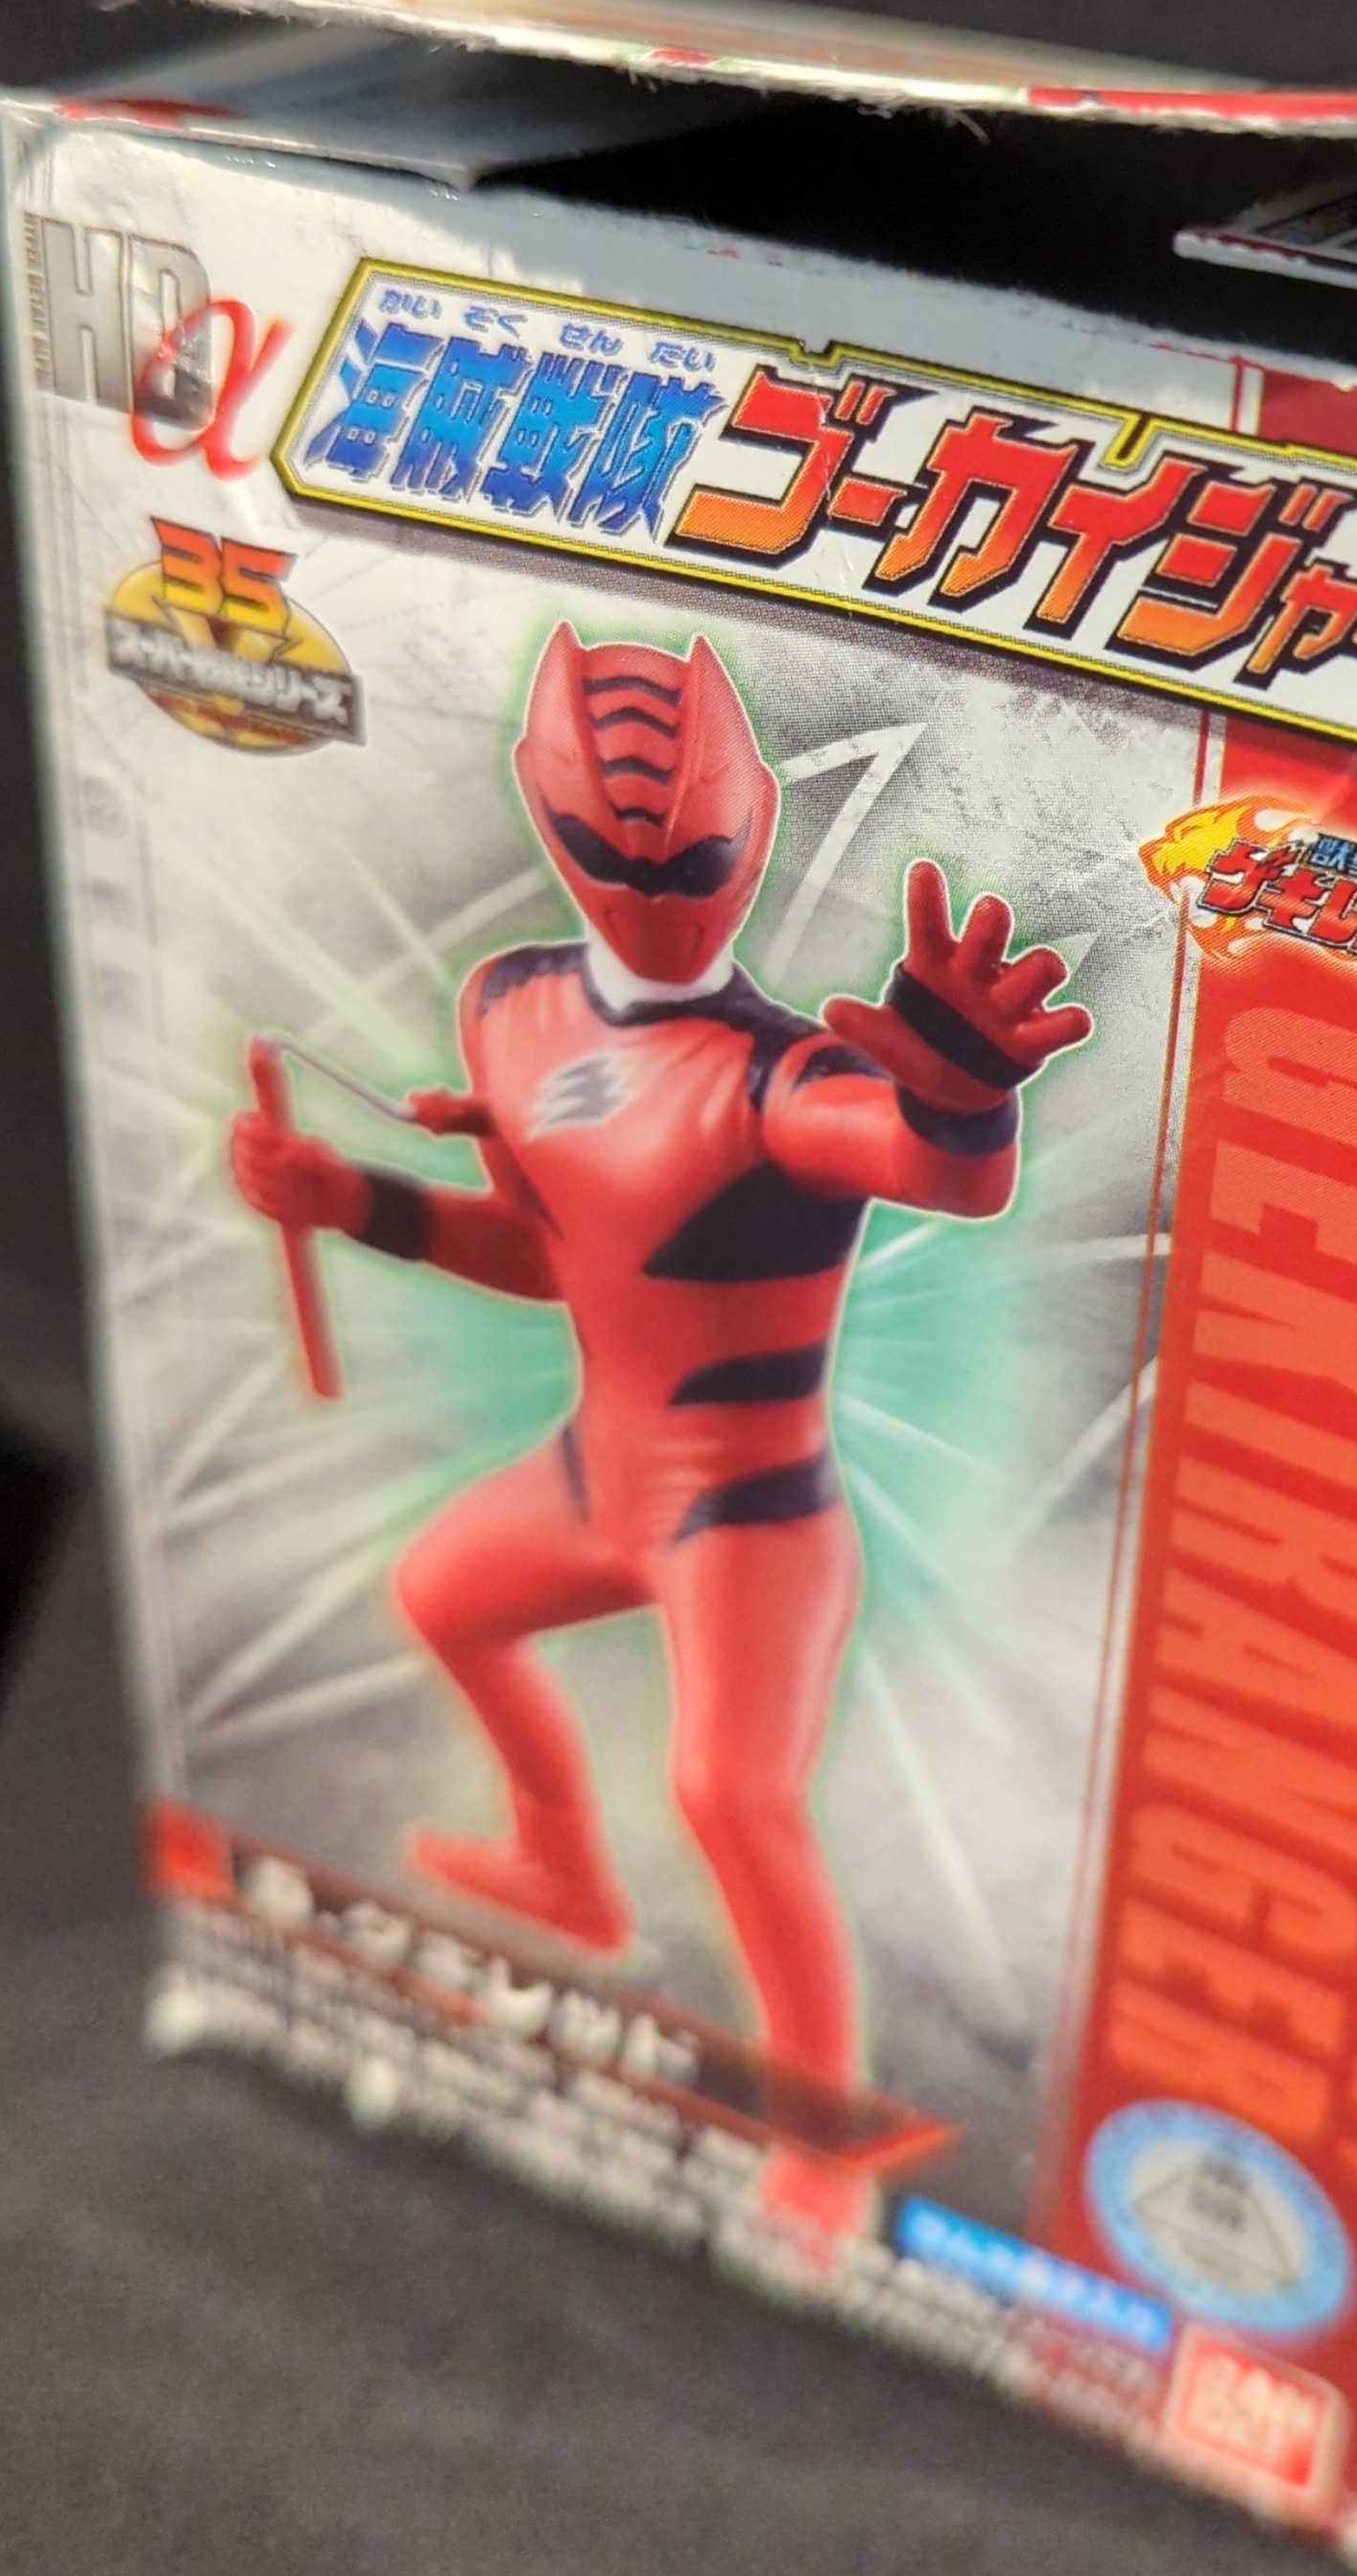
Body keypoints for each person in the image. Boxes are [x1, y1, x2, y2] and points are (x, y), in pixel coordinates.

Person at [230, 622, 1089, 2167]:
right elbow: (546, 1255)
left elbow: (934, 1169)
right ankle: (562, 1865)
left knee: (729, 1796)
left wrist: (962, 1093)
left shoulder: (779, 1079)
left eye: (689, 862)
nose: (655, 897)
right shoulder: (509, 1006)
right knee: (440, 1596)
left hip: (749, 1522)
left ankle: (818, 2133)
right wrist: (349, 1198)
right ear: (551, 822)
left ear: (748, 830)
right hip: (595, 1479)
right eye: (613, 856)